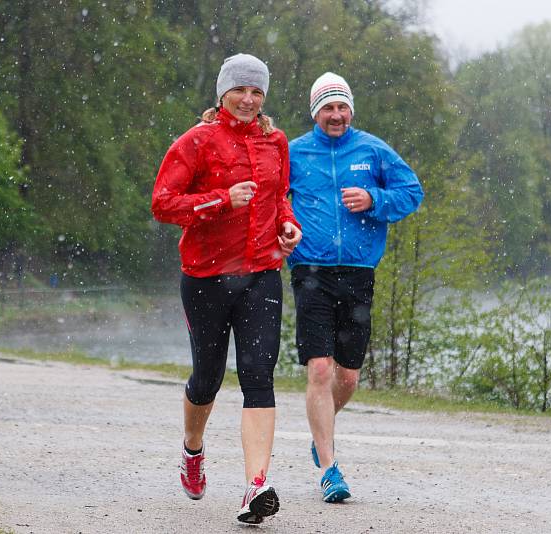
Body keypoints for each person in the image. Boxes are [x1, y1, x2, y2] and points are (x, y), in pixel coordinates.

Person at [151, 53, 302, 524]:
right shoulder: (196, 142)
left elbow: (280, 199)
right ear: (222, 93)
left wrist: (288, 227)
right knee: (208, 377)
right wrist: (219, 199)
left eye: (257, 91)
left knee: (259, 373)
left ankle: (256, 485)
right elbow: (163, 203)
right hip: (206, 277)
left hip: (261, 273)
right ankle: (193, 449)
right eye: (240, 89)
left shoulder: (275, 142)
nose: (249, 99)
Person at [287, 72, 424, 503]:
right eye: (328, 107)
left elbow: (412, 192)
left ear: (351, 111)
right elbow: (272, 199)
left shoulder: (372, 150)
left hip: (360, 272)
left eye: (342, 107)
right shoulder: (293, 153)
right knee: (320, 369)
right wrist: (283, 231)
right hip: (310, 271)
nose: (336, 115)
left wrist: (374, 200)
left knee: (347, 376)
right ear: (315, 112)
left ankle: (319, 432)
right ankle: (330, 468)